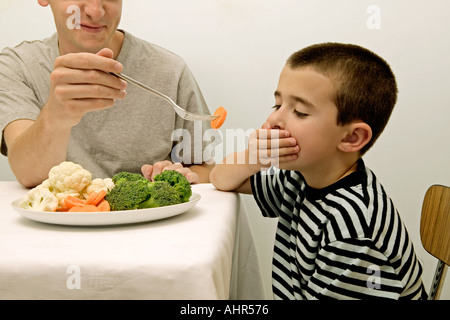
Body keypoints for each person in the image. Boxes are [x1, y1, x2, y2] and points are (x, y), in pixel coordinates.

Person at [210, 43, 426, 299]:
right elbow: (222, 180)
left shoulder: (353, 233)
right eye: (276, 105)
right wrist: (251, 158)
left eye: (300, 112)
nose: (273, 121)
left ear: (352, 137)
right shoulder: (299, 178)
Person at [0, 0, 215, 188]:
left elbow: (206, 171)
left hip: (150, 227)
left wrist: (182, 177)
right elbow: (28, 174)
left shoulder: (170, 71)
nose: (96, 11)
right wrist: (56, 115)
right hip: (56, 230)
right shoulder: (18, 66)